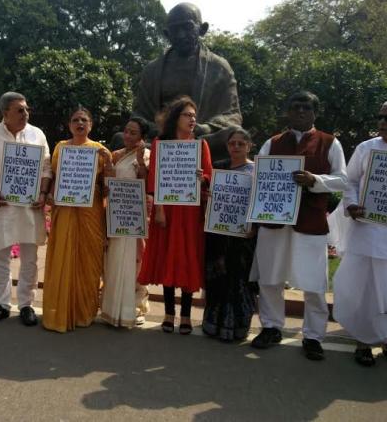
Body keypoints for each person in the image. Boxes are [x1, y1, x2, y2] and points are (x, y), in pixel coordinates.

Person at [250, 91, 347, 361]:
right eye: (296, 107)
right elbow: (258, 177)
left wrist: (314, 180)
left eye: (307, 107)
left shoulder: (330, 142)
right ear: (288, 111)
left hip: (310, 220)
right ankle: (271, 327)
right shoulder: (272, 142)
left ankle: (314, 335)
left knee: (313, 281)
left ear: (315, 112)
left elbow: (343, 179)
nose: (301, 112)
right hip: (275, 220)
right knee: (270, 277)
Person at [333, 100, 387, 369]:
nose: (382, 123)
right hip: (367, 231)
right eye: (380, 117)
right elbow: (350, 181)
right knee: (365, 289)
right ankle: (363, 342)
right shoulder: (366, 148)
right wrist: (351, 204)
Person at [138, 96, 212, 334]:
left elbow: (209, 177)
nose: (192, 120)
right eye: (187, 115)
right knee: (169, 258)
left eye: (194, 116)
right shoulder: (161, 144)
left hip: (190, 212)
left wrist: (203, 178)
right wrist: (158, 210)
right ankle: (169, 314)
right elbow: (154, 180)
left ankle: (187, 315)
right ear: (175, 118)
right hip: (167, 210)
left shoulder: (201, 146)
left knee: (188, 259)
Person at [132, 2, 241, 161]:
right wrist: (156, 128)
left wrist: (206, 127)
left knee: (232, 134)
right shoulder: (152, 70)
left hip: (201, 137)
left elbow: (232, 115)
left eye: (187, 27)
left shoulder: (219, 67)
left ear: (202, 29)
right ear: (167, 34)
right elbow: (138, 114)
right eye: (175, 30)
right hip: (159, 137)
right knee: (121, 138)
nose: (181, 35)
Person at [0, 92, 51, 327]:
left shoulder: (37, 134)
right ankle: (1, 304)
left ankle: (26, 305)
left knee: (30, 259)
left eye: (27, 109)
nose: (25, 114)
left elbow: (46, 169)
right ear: (5, 113)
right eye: (20, 110)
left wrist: (41, 194)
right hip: (2, 206)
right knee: (1, 257)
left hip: (29, 208)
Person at [42, 106, 110, 332]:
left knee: (89, 261)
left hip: (91, 211)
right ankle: (60, 311)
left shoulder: (99, 150)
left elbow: (108, 186)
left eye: (84, 120)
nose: (80, 123)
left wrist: (108, 163)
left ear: (91, 125)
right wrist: (50, 194)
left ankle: (84, 312)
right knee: (64, 256)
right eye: (75, 120)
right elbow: (53, 176)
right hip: (66, 209)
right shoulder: (61, 148)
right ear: (69, 125)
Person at [202, 127, 257, 341]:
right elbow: (211, 197)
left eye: (241, 144)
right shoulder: (220, 169)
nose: (236, 147)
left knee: (239, 281)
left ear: (249, 146)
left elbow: (258, 204)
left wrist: (253, 227)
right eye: (232, 143)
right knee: (217, 278)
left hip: (242, 237)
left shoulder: (255, 171)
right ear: (227, 146)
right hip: (218, 235)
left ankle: (237, 326)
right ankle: (213, 323)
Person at [101, 117, 151, 328]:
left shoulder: (147, 155)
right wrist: (108, 168)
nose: (128, 136)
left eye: (133, 133)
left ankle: (134, 307)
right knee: (112, 261)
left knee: (135, 263)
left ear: (142, 136)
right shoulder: (116, 155)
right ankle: (111, 308)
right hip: (115, 214)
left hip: (134, 217)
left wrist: (141, 162)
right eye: (126, 131)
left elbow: (147, 184)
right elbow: (106, 188)